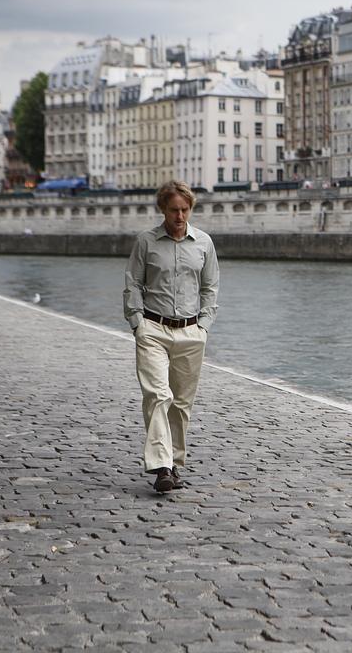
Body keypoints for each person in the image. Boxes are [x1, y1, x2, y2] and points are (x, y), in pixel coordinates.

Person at [123, 180, 220, 493]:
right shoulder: (146, 242)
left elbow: (210, 287)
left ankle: (175, 464)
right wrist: (137, 323)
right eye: (174, 210)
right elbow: (133, 284)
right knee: (158, 395)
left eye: (185, 209)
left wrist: (204, 325)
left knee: (180, 403)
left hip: (191, 332)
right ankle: (161, 467)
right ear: (162, 210)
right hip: (153, 329)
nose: (180, 216)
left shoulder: (204, 243)